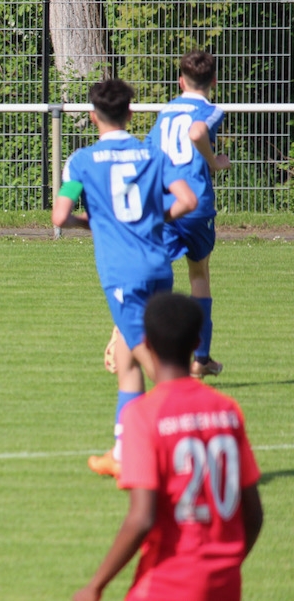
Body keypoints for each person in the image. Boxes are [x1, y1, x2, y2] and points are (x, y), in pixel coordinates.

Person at [72, 291, 263, 601]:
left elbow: (142, 517)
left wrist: (95, 585)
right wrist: (225, 566)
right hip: (225, 584)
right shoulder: (227, 410)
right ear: (196, 343)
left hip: (167, 584)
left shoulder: (143, 415)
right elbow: (254, 514)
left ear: (146, 344)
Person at [51, 79, 197, 479]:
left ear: (93, 116)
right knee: (127, 362)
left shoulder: (82, 161)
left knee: (153, 363)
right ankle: (122, 452)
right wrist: (154, 219)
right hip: (158, 266)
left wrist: (92, 223)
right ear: (130, 113)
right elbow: (187, 200)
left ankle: (194, 426)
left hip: (121, 273)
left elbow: (60, 216)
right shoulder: (152, 153)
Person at [143, 50, 230, 379]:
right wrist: (213, 162)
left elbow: (149, 150)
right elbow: (196, 132)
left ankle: (135, 339)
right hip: (194, 203)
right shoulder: (211, 109)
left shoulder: (166, 111)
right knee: (199, 274)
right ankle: (200, 358)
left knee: (156, 274)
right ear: (214, 81)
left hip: (166, 203)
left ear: (180, 81)